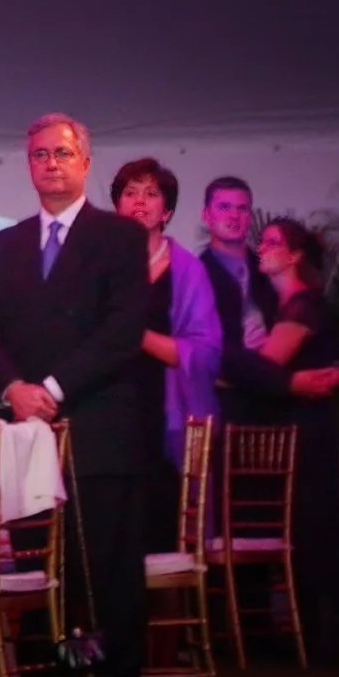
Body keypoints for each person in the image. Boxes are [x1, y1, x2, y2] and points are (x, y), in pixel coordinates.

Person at [0, 113, 152, 677]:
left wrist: (51, 386)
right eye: (40, 154)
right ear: (28, 165)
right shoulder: (5, 243)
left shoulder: (120, 237)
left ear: (86, 163)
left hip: (97, 428)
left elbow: (122, 331)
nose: (51, 163)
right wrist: (13, 389)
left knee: (101, 570)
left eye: (63, 153)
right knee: (35, 568)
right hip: (26, 433)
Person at [231, 217, 339, 662]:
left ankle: (321, 633)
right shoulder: (284, 305)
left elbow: (265, 366)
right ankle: (313, 629)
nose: (261, 248)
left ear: (295, 255)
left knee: (310, 523)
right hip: (298, 425)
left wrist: (221, 363)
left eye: (272, 242)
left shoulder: (301, 305)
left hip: (307, 430)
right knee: (304, 524)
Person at [108, 157, 220, 548]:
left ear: (167, 210)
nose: (139, 201)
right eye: (130, 193)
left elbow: (206, 353)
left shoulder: (189, 270)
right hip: (110, 412)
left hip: (168, 416)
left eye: (151, 194)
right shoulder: (99, 269)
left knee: (164, 532)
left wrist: (136, 335)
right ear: (117, 206)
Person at [196, 174, 277, 406]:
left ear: (250, 216)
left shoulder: (269, 271)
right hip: (222, 398)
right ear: (206, 216)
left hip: (273, 399)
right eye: (224, 207)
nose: (234, 216)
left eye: (242, 208)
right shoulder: (194, 275)